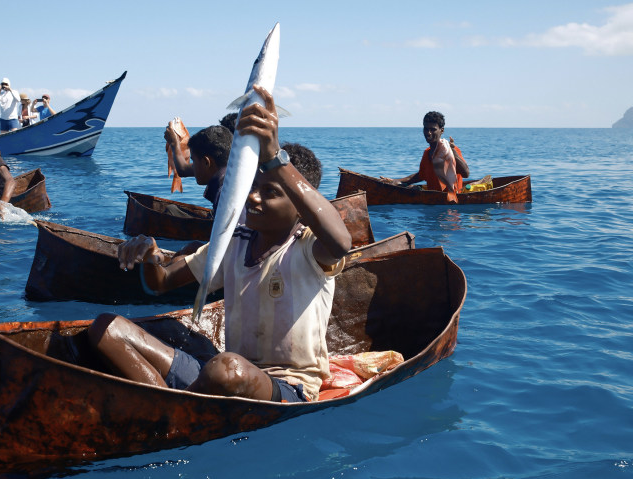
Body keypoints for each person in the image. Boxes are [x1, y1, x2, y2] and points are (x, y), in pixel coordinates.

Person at [87, 85, 352, 403]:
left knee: (227, 370)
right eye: (252, 187)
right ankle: (170, 409)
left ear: (300, 206)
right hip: (225, 372)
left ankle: (172, 414)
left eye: (270, 192)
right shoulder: (234, 242)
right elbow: (161, 282)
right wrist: (150, 256)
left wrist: (274, 157)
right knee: (107, 328)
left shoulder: (310, 248)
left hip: (287, 387)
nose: (252, 198)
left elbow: (341, 241)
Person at [385, 111, 470, 202]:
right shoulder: (427, 153)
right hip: (432, 203)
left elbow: (466, 173)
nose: (428, 133)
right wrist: (397, 181)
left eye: (433, 129)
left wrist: (453, 152)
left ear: (442, 130)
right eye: (426, 129)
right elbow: (421, 175)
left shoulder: (451, 150)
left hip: (451, 202)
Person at [164, 124, 232, 214]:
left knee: (171, 211)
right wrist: (174, 144)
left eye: (194, 161)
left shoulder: (224, 195)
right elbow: (183, 169)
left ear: (206, 162)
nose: (193, 166)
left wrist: (174, 144)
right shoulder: (232, 168)